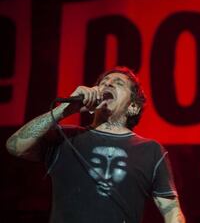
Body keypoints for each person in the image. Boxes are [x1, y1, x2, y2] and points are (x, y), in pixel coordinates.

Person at [6, 67, 185, 223]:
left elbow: (172, 212)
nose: (108, 84)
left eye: (119, 83)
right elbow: (15, 146)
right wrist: (65, 109)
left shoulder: (150, 150)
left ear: (133, 107)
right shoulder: (66, 137)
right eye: (104, 82)